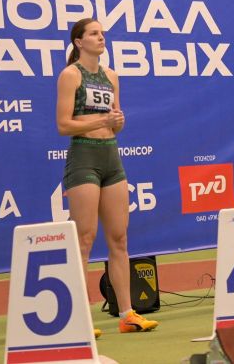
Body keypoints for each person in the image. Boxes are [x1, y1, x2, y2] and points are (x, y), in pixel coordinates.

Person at [56, 18, 158, 335]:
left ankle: (127, 314)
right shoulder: (71, 75)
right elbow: (63, 125)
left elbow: (116, 123)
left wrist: (117, 121)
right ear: (79, 42)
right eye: (94, 34)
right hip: (84, 156)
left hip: (111, 157)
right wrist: (100, 121)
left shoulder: (111, 75)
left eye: (102, 33)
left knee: (119, 239)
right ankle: (76, 319)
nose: (101, 38)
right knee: (84, 239)